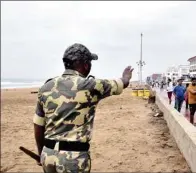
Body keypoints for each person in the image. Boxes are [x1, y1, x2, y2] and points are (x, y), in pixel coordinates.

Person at [33, 43, 134, 173]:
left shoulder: (45, 88)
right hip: (74, 159)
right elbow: (122, 84)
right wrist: (126, 77)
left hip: (48, 155)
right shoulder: (90, 85)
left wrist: (41, 153)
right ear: (86, 65)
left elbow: (38, 125)